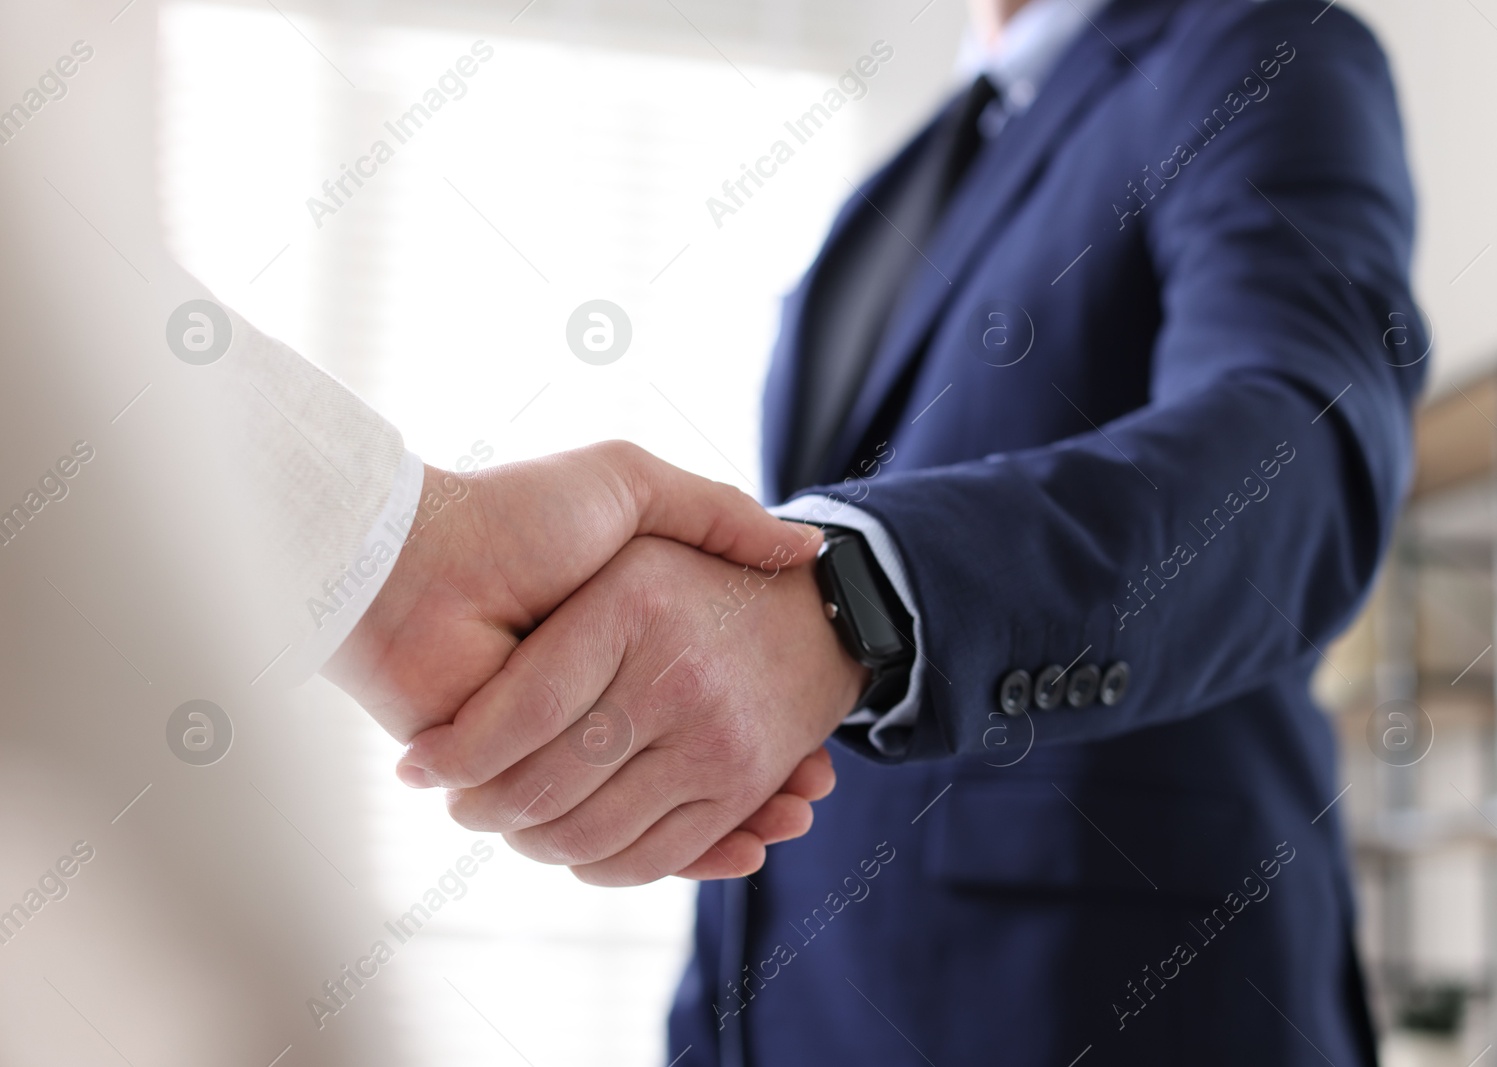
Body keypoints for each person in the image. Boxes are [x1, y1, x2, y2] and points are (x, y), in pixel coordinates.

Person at [396, 0, 1427, 1063]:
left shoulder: (1261, 48)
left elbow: (1297, 453)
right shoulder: (884, 197)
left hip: (1108, 1001)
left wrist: (859, 602)